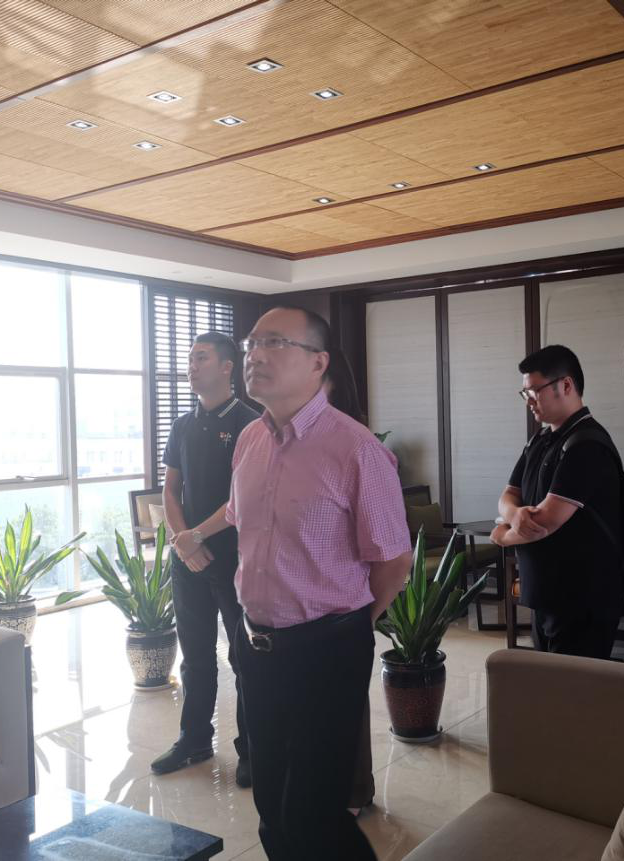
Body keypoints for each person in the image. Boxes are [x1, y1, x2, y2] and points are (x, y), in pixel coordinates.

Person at [197, 306, 411, 860]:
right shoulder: (250, 439)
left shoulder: (356, 448)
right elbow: (243, 517)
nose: (255, 355)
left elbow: (393, 561)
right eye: (252, 343)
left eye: (274, 343)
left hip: (326, 648)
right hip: (257, 644)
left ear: (318, 363)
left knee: (313, 810)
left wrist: (348, 626)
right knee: (271, 803)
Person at [151, 332, 259, 781]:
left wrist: (196, 536)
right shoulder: (182, 424)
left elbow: (243, 498)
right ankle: (194, 739)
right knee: (195, 656)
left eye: (201, 358)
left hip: (234, 559)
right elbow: (170, 490)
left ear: (227, 367)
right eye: (190, 359)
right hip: (188, 560)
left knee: (244, 657)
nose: (191, 366)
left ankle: (252, 749)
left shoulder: (250, 423)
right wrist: (183, 541)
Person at [490, 345, 624, 659]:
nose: (529, 401)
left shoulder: (587, 443)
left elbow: (544, 522)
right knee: (550, 682)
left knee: (574, 686)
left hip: (581, 597)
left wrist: (502, 535)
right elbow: (507, 496)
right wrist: (515, 514)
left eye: (534, 391)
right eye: (525, 394)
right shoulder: (540, 439)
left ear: (565, 385)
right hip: (547, 595)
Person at [323, 347, 376, 815]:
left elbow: (391, 556)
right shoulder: (266, 437)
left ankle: (355, 792)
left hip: (342, 605)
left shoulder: (355, 442)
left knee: (345, 706)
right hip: (292, 614)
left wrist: (364, 617)